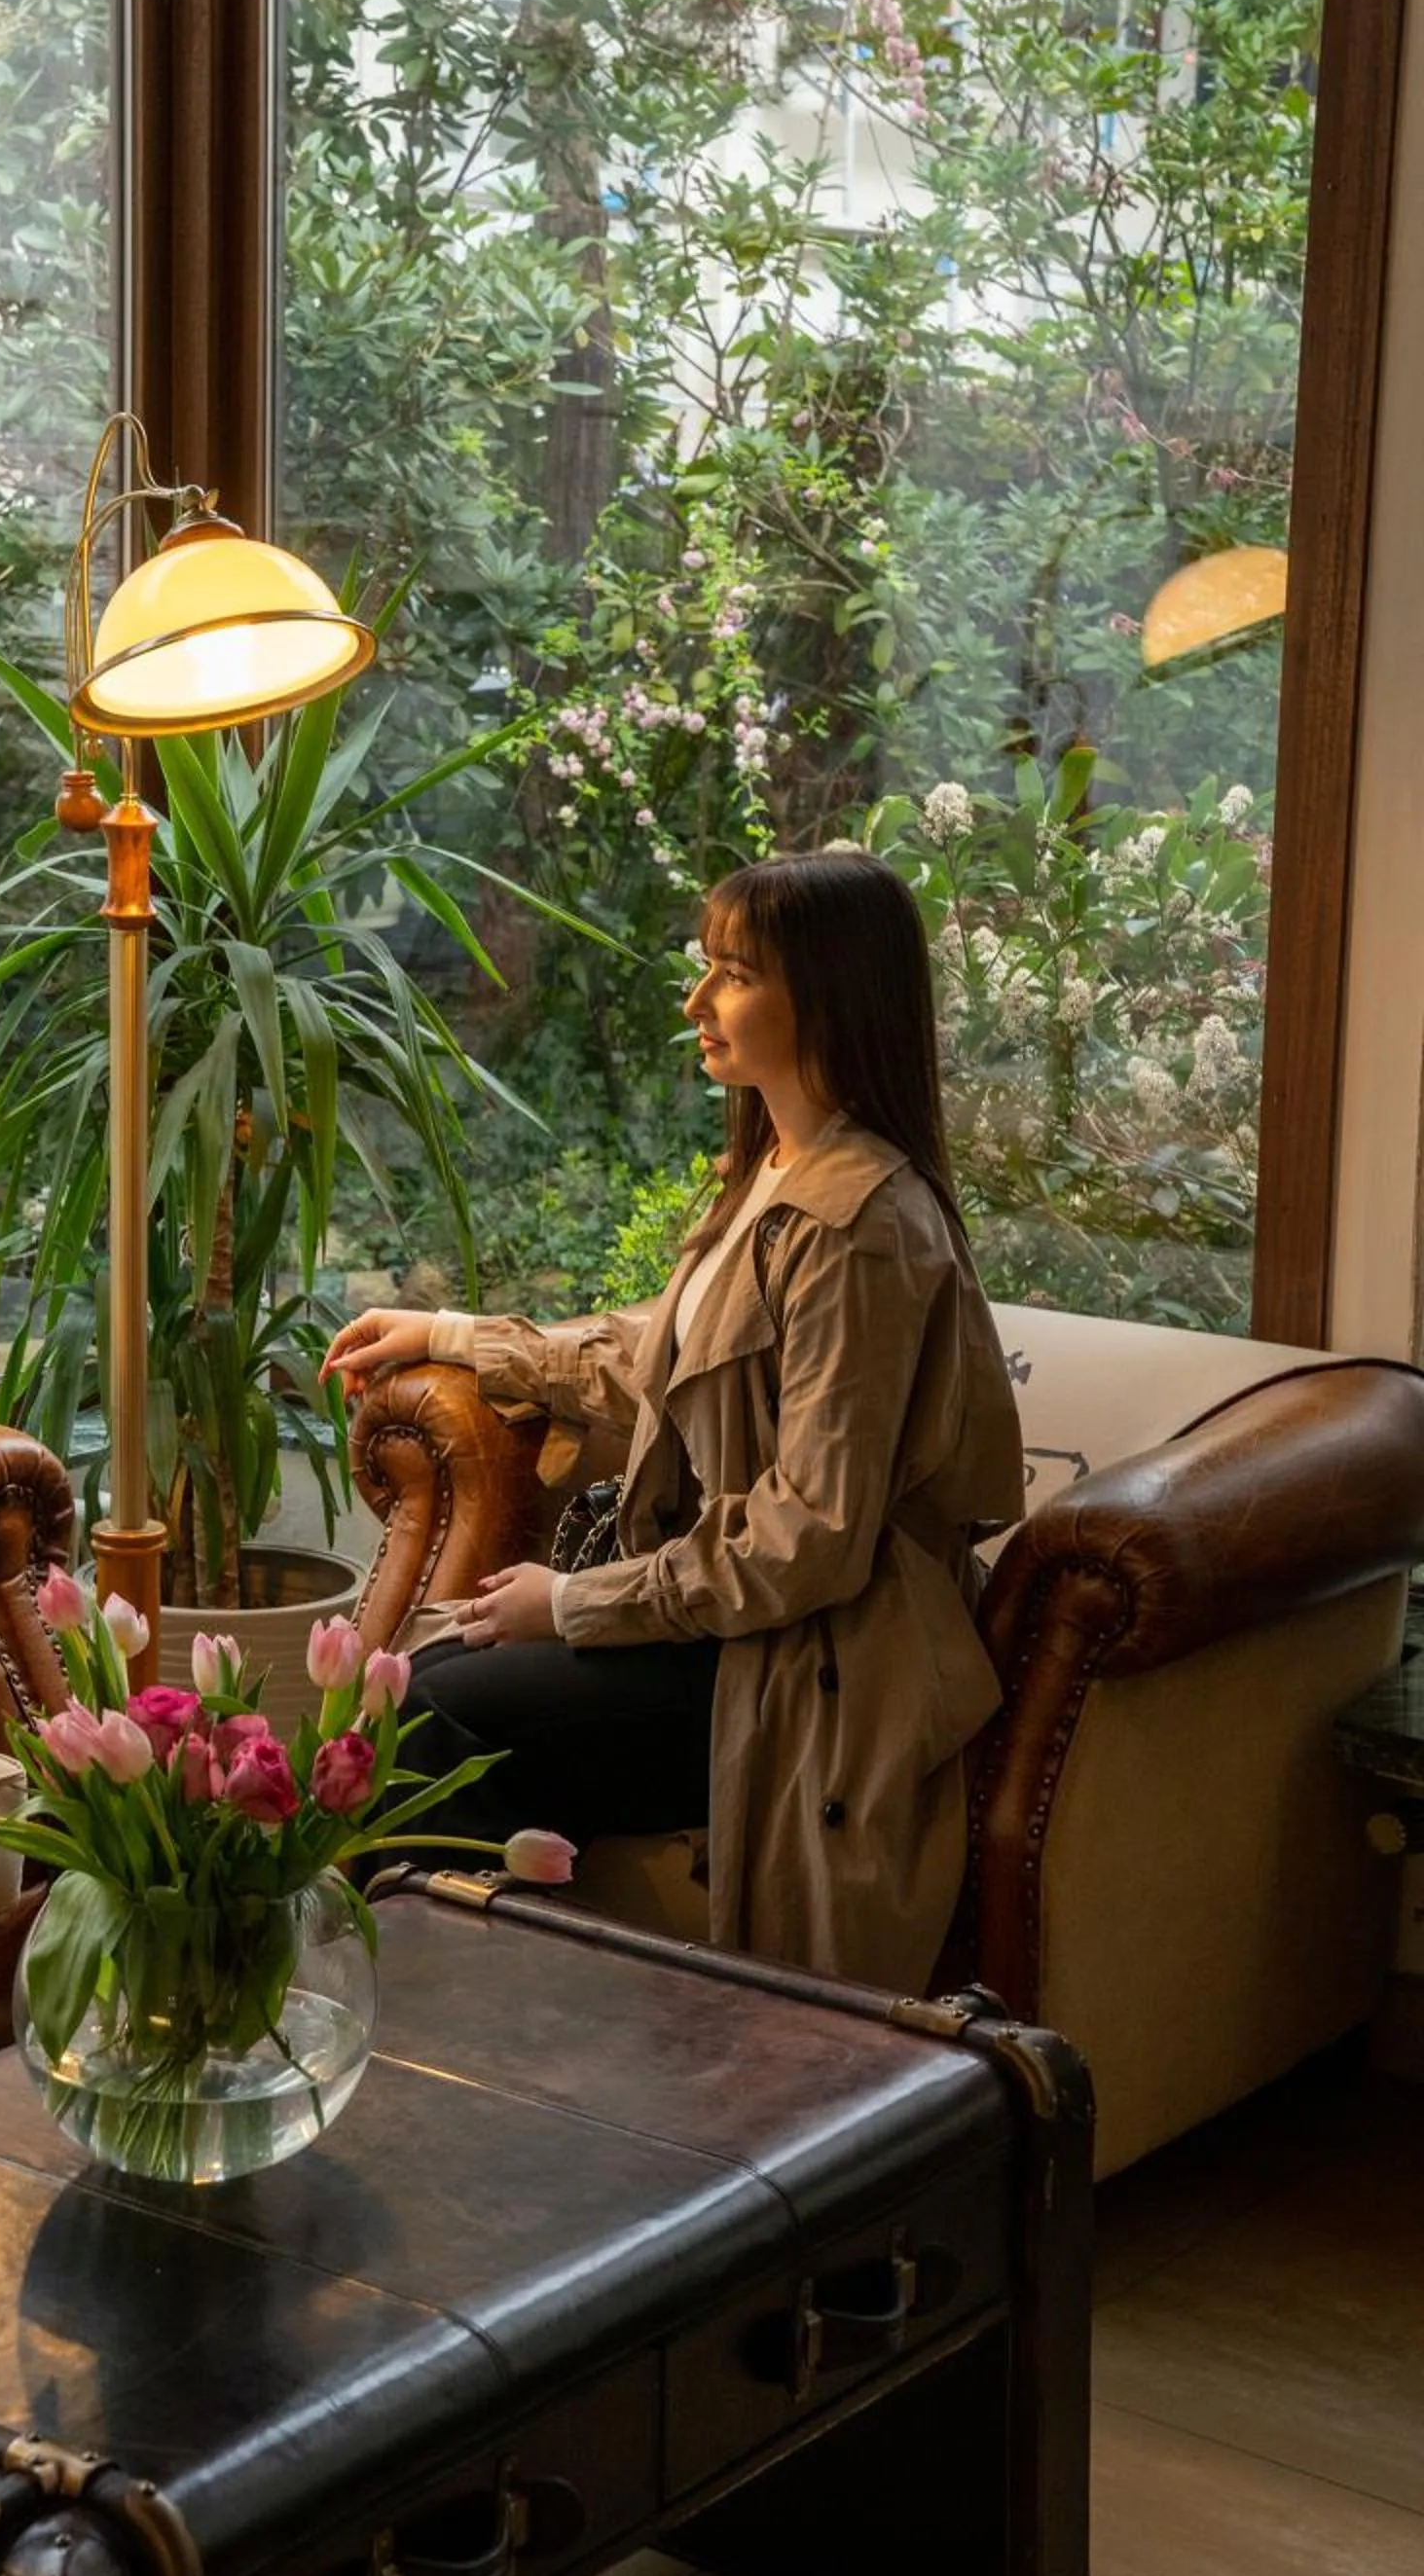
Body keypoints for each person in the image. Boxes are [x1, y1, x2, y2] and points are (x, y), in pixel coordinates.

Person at [318, 849, 1025, 1994]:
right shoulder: (775, 1177)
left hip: (805, 1666)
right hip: (728, 1633)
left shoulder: (858, 1230)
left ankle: (452, 2046)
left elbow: (812, 1539)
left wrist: (577, 1605)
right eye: (705, 969)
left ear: (830, 997)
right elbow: (662, 1364)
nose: (697, 1002)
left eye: (731, 974)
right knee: (424, 1682)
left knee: (437, 1708)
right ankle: (493, 2032)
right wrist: (452, 1334)